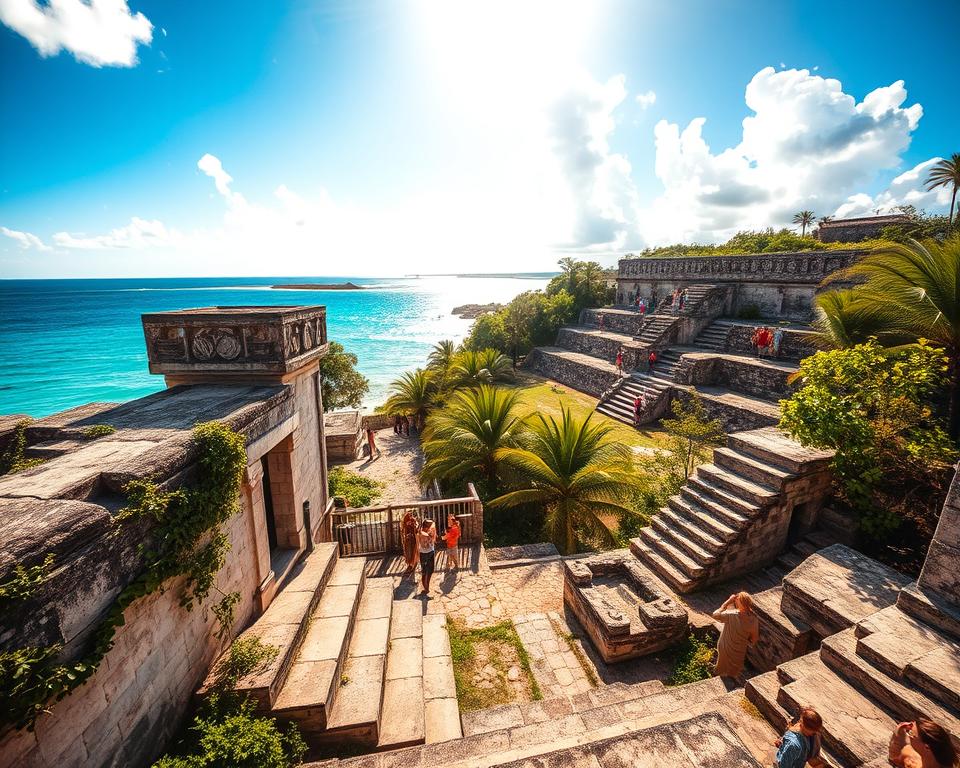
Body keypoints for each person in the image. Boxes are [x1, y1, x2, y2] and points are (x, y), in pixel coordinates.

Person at [712, 591, 759, 679]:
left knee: (721, 666)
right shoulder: (754, 619)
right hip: (740, 649)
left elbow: (715, 615)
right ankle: (732, 679)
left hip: (725, 646)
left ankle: (719, 678)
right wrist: (748, 643)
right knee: (734, 668)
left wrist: (727, 602)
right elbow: (755, 638)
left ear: (738, 602)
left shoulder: (731, 615)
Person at [889, 719, 958, 768]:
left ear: (927, 747)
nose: (908, 736)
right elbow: (894, 757)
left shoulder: (915, 759)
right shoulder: (916, 757)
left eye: (911, 733)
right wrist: (899, 730)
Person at [417, 519, 437, 595]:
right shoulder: (421, 533)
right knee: (424, 571)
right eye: (429, 526)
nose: (431, 528)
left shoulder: (430, 531)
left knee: (431, 570)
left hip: (431, 552)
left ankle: (427, 586)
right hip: (424, 554)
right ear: (425, 527)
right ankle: (426, 588)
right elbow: (424, 535)